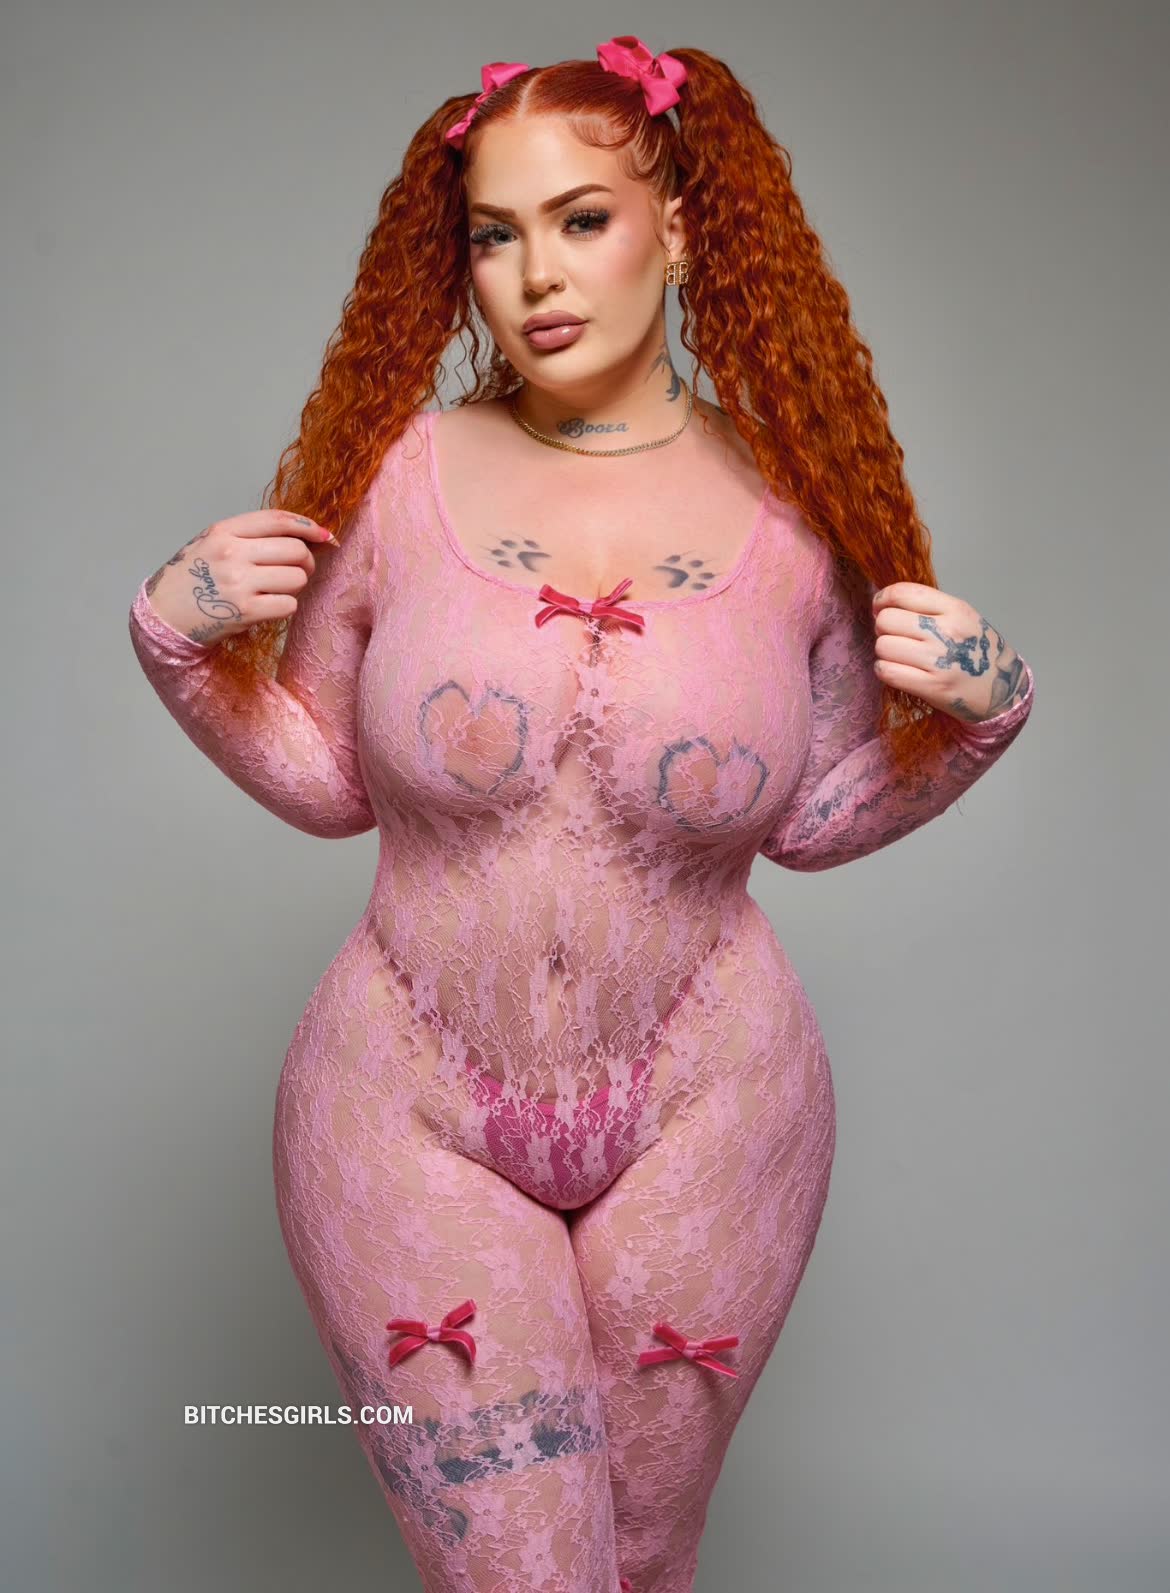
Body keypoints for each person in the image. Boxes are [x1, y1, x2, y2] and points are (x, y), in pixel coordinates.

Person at [128, 36, 1034, 1593]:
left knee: (644, 1556)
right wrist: (176, 645)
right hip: (406, 1100)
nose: (534, 274)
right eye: (494, 233)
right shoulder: (400, 480)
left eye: (580, 219)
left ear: (676, 230)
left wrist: (978, 722)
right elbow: (330, 781)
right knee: (524, 1568)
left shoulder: (792, 515)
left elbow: (813, 819)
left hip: (715, 1107)